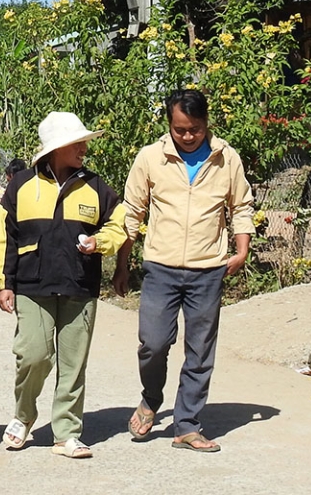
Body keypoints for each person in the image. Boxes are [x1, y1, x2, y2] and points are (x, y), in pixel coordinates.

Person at [113, 89, 256, 453]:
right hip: (160, 267)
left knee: (200, 351)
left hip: (208, 269)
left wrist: (241, 249)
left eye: (194, 129)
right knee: (153, 344)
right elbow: (132, 212)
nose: (187, 136)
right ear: (169, 125)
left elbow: (241, 206)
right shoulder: (150, 158)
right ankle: (151, 397)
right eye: (180, 129)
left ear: (206, 123)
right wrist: (122, 264)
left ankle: (187, 424)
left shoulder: (227, 159)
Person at [0, 112, 127, 459]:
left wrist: (101, 243)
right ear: (56, 148)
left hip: (79, 285)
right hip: (32, 285)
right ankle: (24, 416)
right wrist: (3, 283)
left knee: (73, 362)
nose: (84, 148)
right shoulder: (21, 185)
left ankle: (66, 432)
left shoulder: (96, 187)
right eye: (77, 143)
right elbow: (4, 238)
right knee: (33, 355)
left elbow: (118, 225)